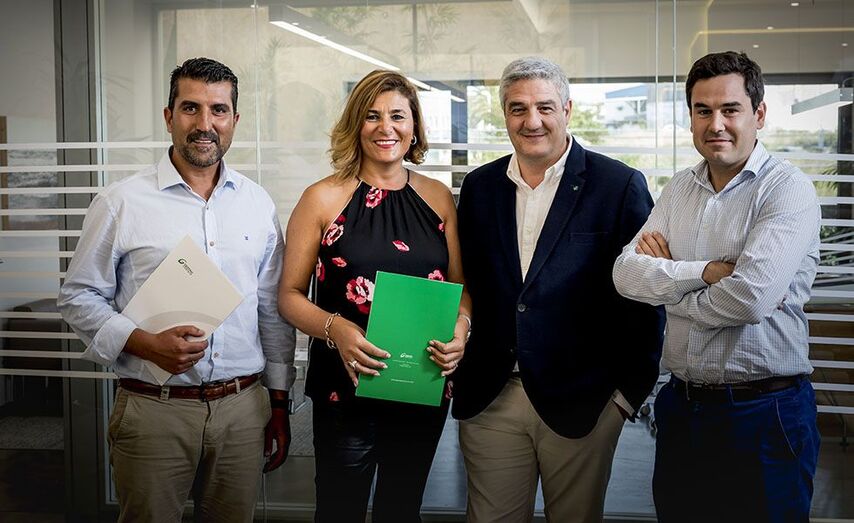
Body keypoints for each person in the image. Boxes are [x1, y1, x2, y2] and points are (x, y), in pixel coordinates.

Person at [57, 57, 295, 523]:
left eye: (218, 110)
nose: (205, 124)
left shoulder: (257, 203)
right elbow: (78, 296)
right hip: (154, 409)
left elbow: (271, 310)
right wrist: (142, 342)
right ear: (169, 117)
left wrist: (280, 402)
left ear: (234, 119)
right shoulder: (122, 202)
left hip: (243, 409)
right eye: (191, 108)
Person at [453, 56, 665, 523]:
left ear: (567, 110)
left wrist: (625, 398)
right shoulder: (480, 187)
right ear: (504, 115)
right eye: (518, 108)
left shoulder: (618, 185)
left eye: (545, 107)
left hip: (584, 401)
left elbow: (646, 297)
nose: (532, 121)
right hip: (492, 395)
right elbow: (466, 281)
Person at [613, 51, 821, 523]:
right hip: (683, 408)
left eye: (730, 109)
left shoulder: (786, 189)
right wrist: (706, 272)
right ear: (690, 117)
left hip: (765, 412)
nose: (716, 124)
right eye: (703, 110)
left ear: (759, 114)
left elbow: (749, 300)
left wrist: (670, 291)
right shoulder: (678, 190)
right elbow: (624, 274)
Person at [278, 70, 472, 523]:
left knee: (402, 511)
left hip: (420, 383)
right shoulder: (321, 198)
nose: (386, 127)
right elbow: (288, 296)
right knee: (338, 511)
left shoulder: (439, 198)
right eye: (372, 116)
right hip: (344, 388)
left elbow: (460, 288)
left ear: (414, 126)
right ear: (356, 125)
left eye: (398, 116)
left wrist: (462, 329)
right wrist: (336, 328)